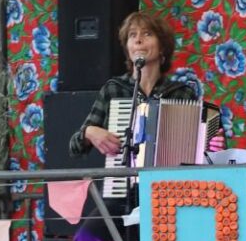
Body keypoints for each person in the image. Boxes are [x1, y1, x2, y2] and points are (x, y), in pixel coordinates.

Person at [69, 11, 197, 162]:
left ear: (162, 47)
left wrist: (212, 143)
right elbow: (75, 148)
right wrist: (89, 132)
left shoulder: (182, 93)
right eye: (132, 35)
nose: (138, 40)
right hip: (124, 176)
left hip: (167, 176)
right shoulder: (114, 90)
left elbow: (201, 146)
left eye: (147, 34)